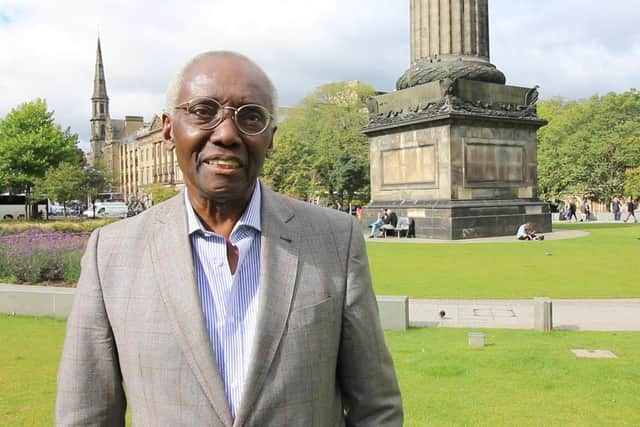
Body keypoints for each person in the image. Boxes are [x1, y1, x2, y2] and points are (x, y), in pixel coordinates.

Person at [56, 52, 402, 426]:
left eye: (250, 117)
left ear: (270, 138)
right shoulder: (111, 253)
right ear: (170, 130)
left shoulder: (335, 239)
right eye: (203, 111)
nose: (225, 134)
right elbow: (85, 413)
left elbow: (375, 407)